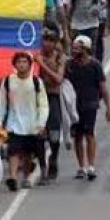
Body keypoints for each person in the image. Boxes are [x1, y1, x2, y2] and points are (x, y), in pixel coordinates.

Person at [0, 52, 50, 191]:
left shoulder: (36, 82)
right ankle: (13, 177)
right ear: (15, 64)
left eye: (24, 62)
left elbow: (43, 105)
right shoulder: (8, 81)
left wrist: (41, 123)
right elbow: (1, 104)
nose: (21, 64)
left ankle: (27, 176)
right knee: (13, 151)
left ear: (30, 64)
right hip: (13, 124)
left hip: (32, 125)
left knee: (28, 154)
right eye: (19, 62)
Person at [66, 35, 110, 181]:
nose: (74, 50)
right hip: (74, 106)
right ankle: (81, 166)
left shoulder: (95, 65)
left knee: (89, 134)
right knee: (77, 136)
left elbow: (103, 88)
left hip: (90, 104)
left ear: (85, 49)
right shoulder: (69, 65)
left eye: (77, 48)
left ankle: (91, 165)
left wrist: (108, 107)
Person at [34, 30, 67, 180]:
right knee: (39, 135)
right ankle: (42, 167)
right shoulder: (34, 55)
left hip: (53, 97)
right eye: (44, 40)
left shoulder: (60, 57)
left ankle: (54, 157)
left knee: (54, 134)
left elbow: (58, 79)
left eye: (50, 40)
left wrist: (43, 65)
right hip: (37, 99)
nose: (47, 43)